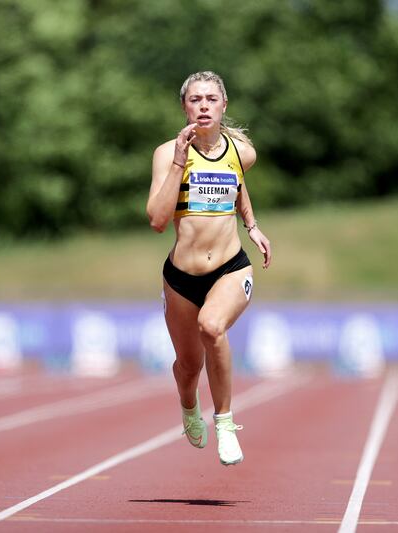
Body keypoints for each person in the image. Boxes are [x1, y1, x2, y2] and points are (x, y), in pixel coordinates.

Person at [147, 71, 271, 466]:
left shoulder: (242, 151)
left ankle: (225, 423)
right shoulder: (167, 153)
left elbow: (237, 183)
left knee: (212, 327)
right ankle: (189, 408)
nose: (203, 105)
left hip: (230, 268)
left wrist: (251, 225)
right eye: (195, 99)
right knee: (188, 366)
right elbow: (157, 219)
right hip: (181, 278)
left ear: (224, 106)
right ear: (184, 107)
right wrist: (180, 163)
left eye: (211, 99)